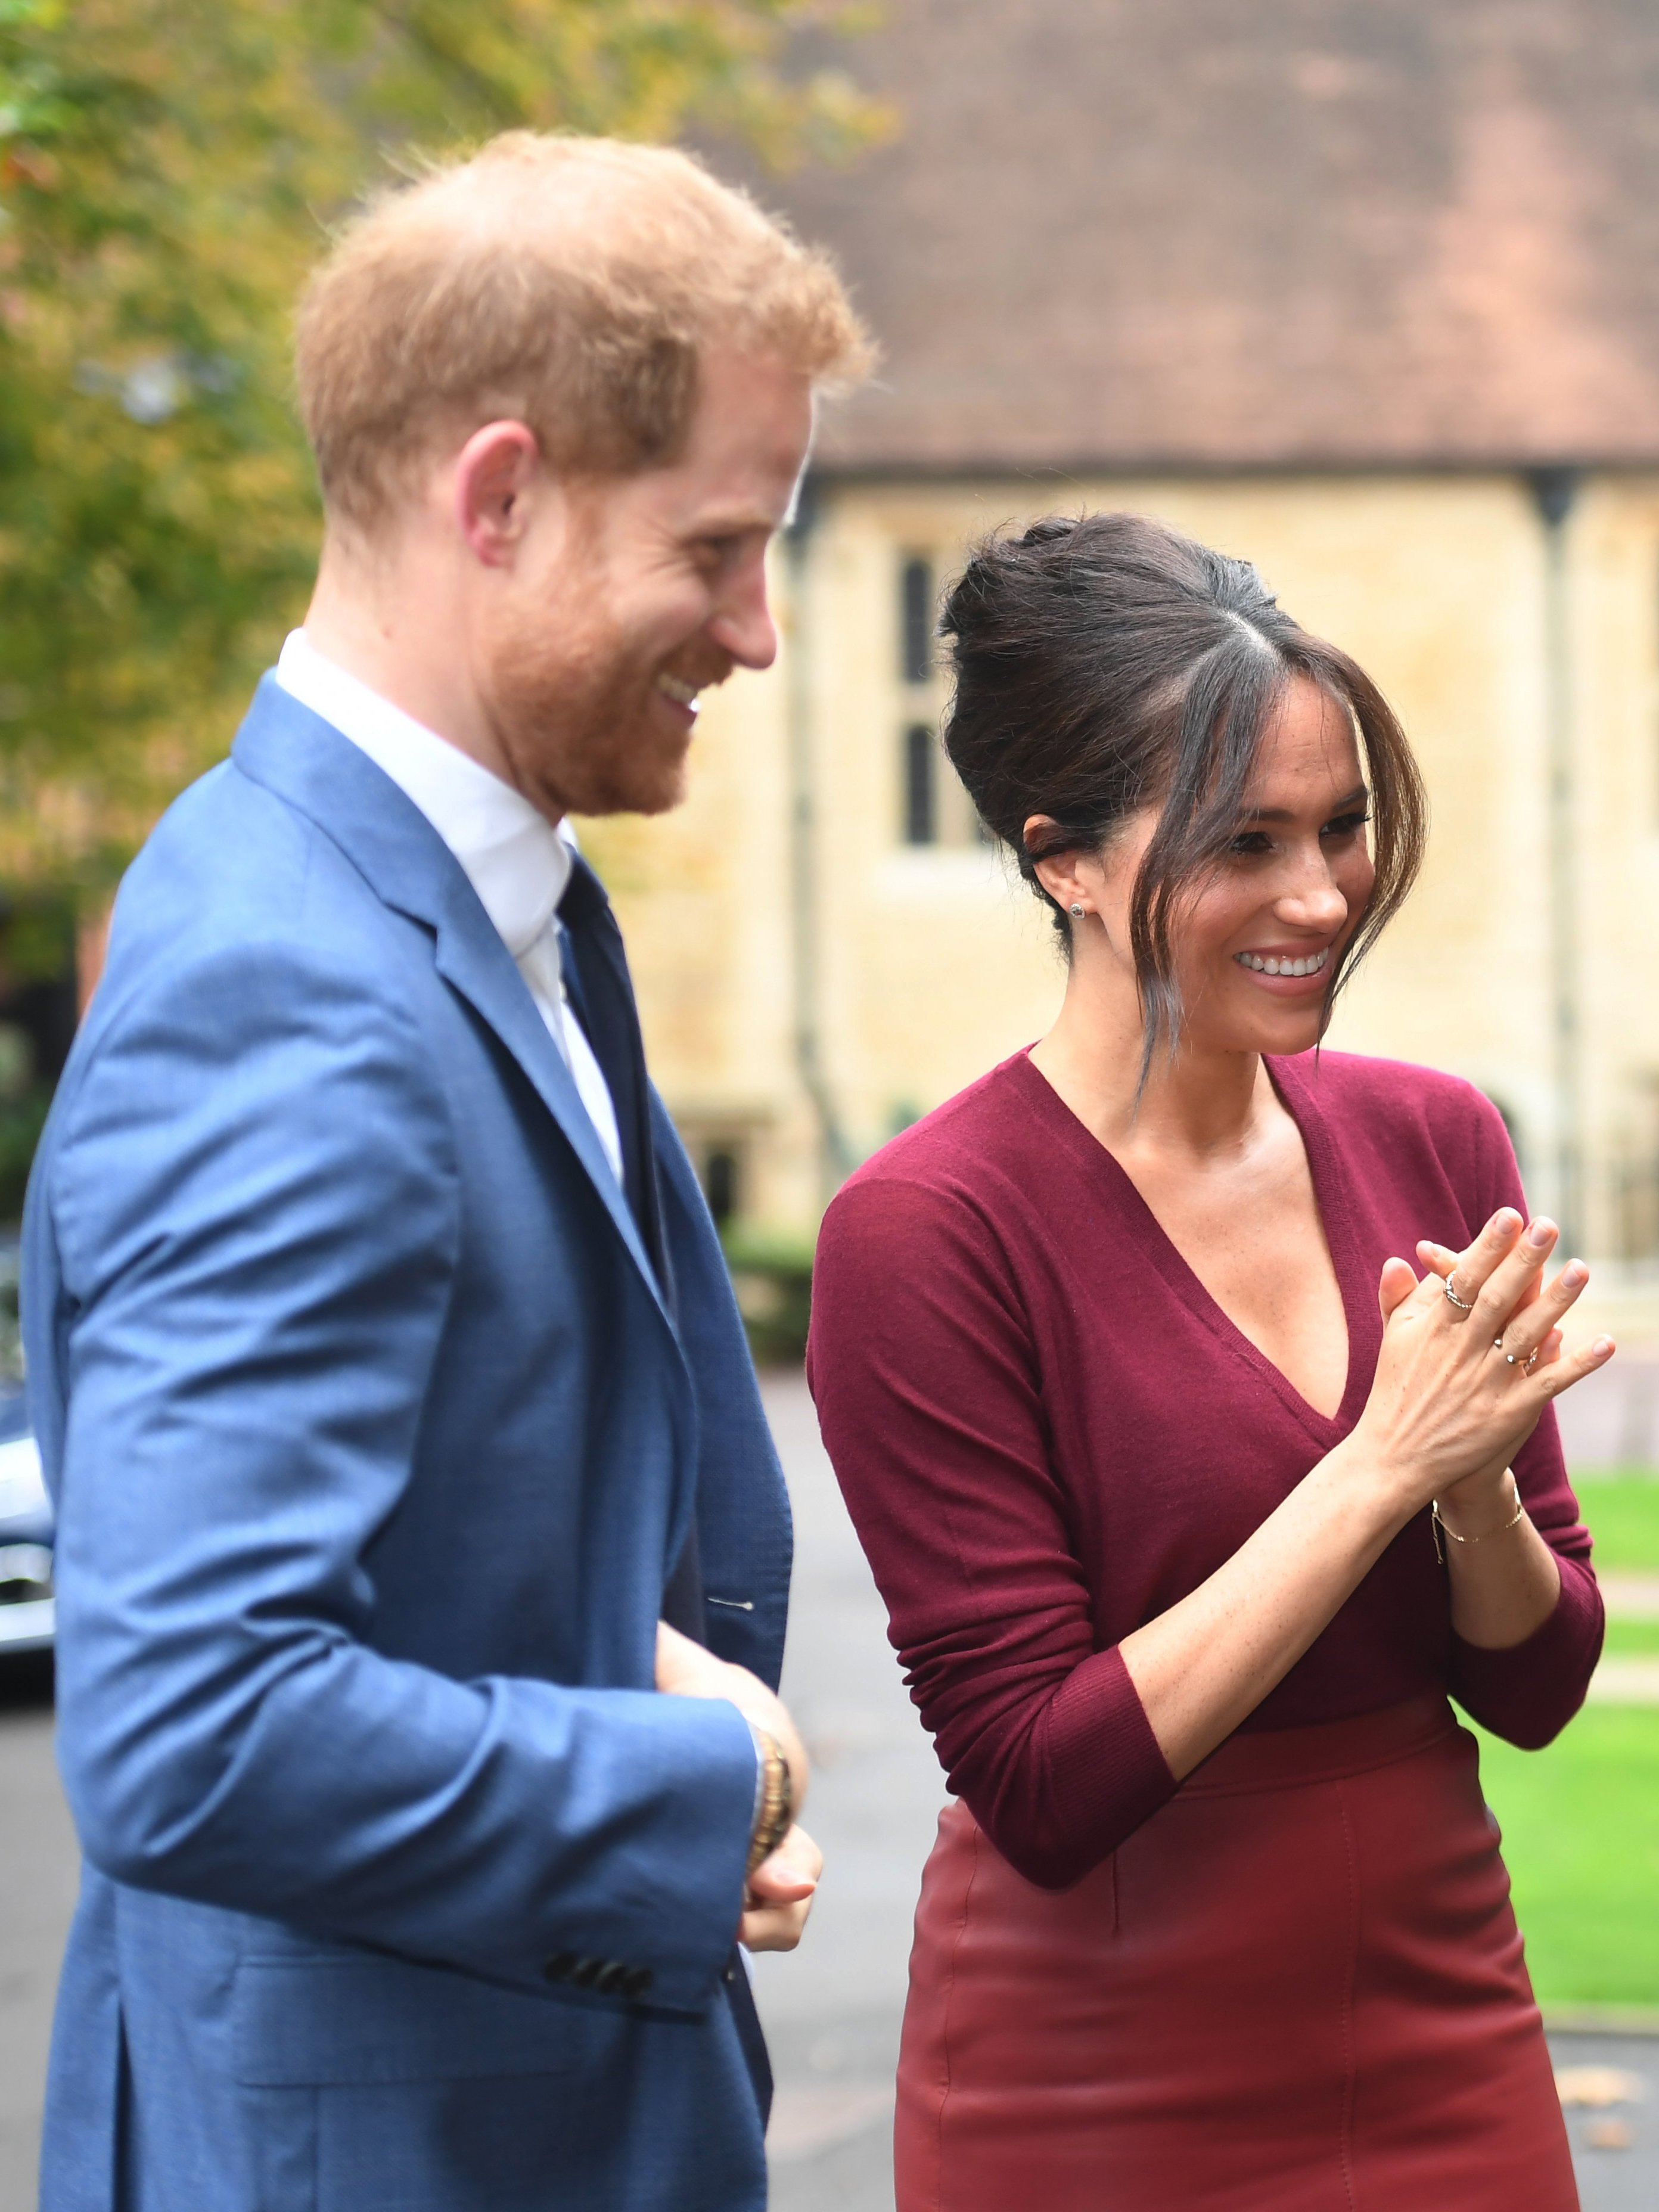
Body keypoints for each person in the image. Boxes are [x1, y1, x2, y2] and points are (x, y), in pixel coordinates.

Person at [23, 133, 869, 2212]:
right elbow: (197, 1726)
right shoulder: (288, 988)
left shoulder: (480, 904)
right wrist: (702, 1775)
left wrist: (611, 1656)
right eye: (718, 548)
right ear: (498, 495)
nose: (757, 633)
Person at [808, 512, 1612, 2212]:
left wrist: (1474, 1486)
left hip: (1441, 2016)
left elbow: (1534, 1690)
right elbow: (1038, 1774)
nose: (1321, 897)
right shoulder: (928, 1230)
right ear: (1064, 862)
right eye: (1245, 843)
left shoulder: (1436, 1136)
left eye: (1341, 829)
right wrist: (1382, 1462)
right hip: (1094, 2076)